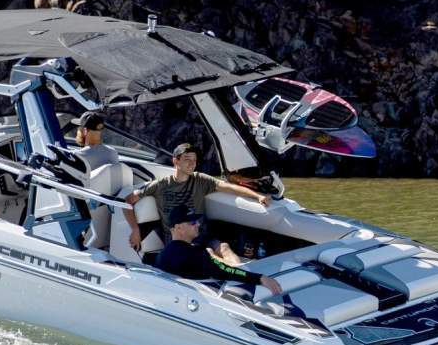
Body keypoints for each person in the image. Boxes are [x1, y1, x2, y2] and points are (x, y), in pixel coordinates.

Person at [125, 142, 271, 255]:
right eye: (187, 159)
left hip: (202, 235)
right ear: (176, 161)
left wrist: (257, 196)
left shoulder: (201, 180)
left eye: (194, 160)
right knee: (208, 254)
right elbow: (128, 200)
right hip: (179, 240)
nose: (192, 164)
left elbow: (229, 187)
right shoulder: (160, 185)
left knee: (225, 248)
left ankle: (241, 277)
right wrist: (135, 229)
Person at [152, 209, 283, 294]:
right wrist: (260, 278)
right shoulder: (190, 254)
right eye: (192, 222)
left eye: (197, 221)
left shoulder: (166, 253)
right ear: (179, 228)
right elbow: (224, 270)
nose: (198, 224)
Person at [73, 112, 124, 250]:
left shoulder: (78, 156)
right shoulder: (113, 153)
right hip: (108, 212)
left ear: (84, 130)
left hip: (87, 215)